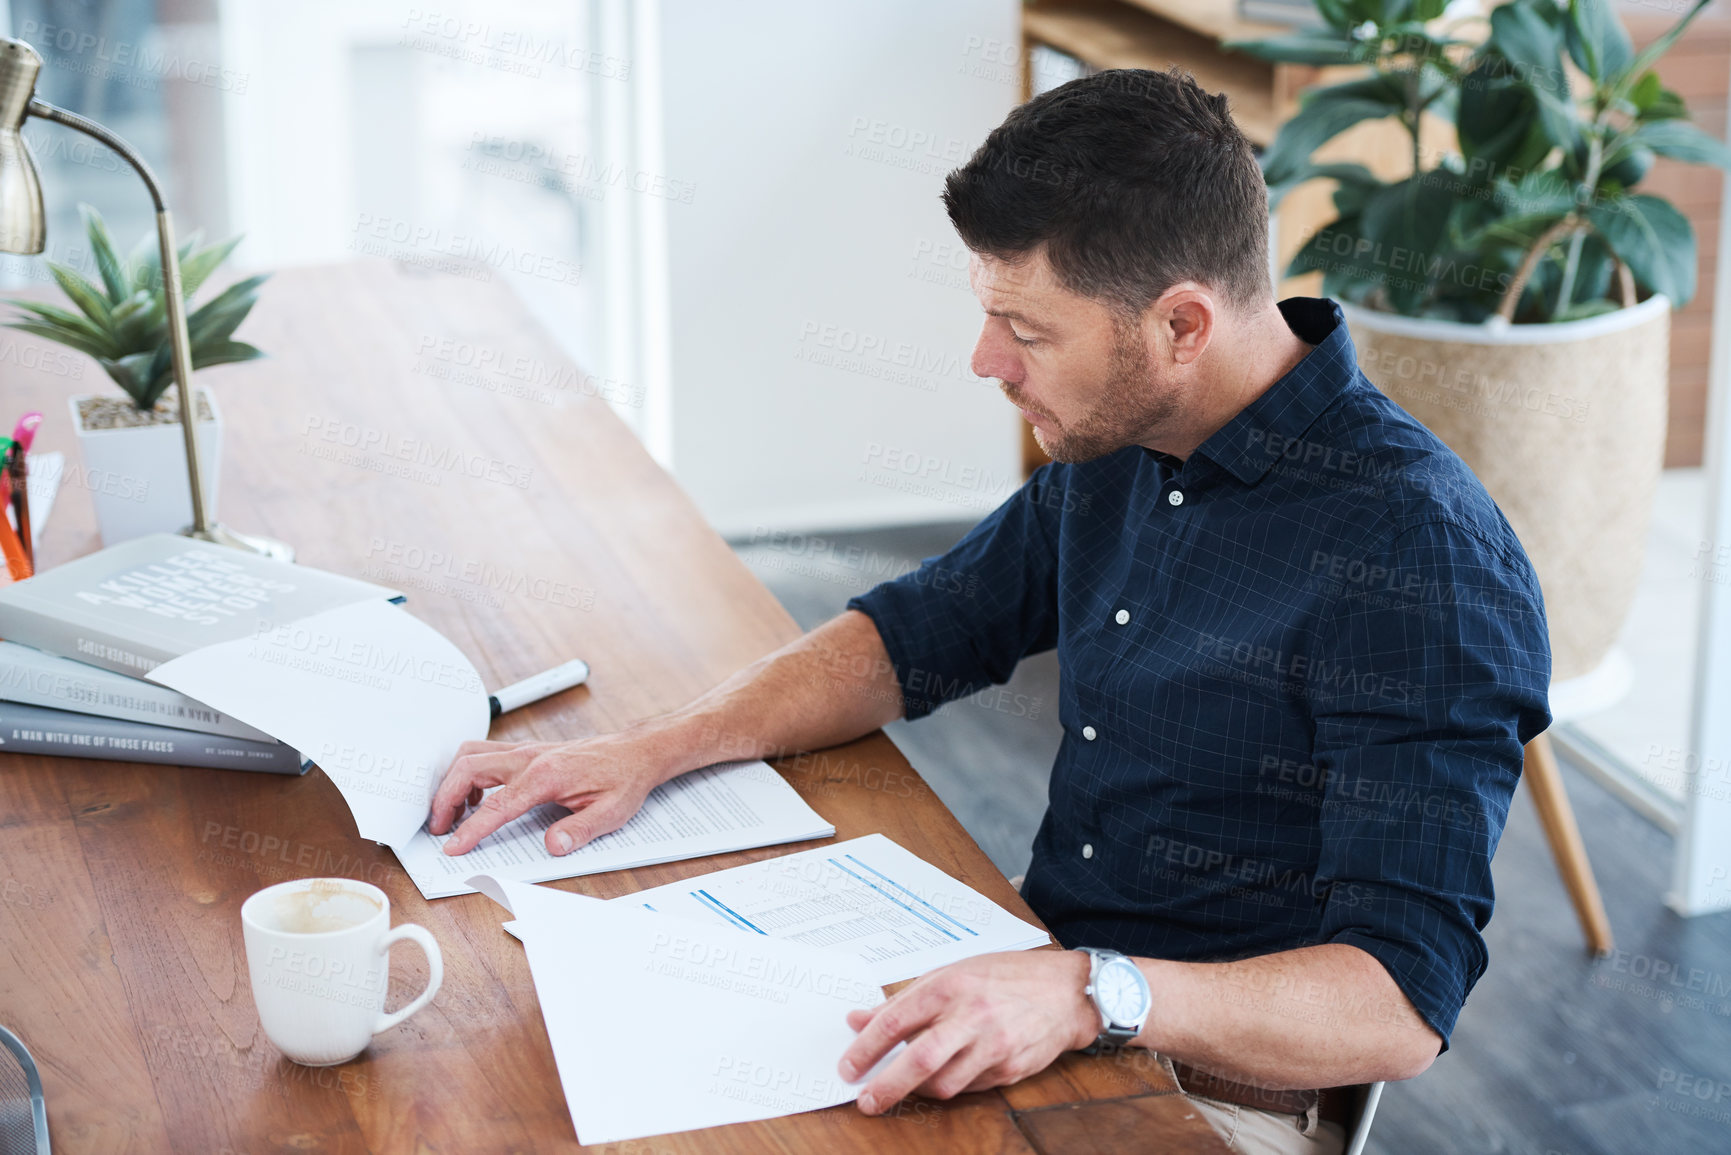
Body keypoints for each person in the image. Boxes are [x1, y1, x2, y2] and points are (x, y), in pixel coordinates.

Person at [428, 65, 1551, 1154]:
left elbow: (1399, 1002)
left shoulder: (1419, 557)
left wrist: (1087, 993)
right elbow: (924, 630)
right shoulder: (1124, 432)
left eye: (1028, 329)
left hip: (1210, 1086)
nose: (985, 362)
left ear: (1184, 327)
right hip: (1038, 980)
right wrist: (655, 749)